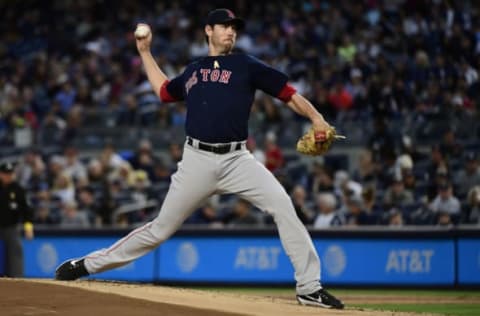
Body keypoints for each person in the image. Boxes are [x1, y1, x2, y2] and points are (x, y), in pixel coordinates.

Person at [54, 8, 344, 309]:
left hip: (237, 159)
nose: (230, 31)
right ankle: (86, 265)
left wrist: (317, 118)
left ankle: (309, 288)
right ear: (208, 31)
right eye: (224, 26)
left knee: (283, 206)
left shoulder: (247, 65)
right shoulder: (194, 70)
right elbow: (165, 92)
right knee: (159, 229)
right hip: (196, 160)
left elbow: (288, 93)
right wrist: (145, 52)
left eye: (234, 27)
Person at [0, 162, 34, 277]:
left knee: (16, 249)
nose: (8, 176)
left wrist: (28, 227)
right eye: (5, 173)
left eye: (10, 173)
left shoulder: (19, 190)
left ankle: (17, 279)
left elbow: (27, 210)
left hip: (11, 227)